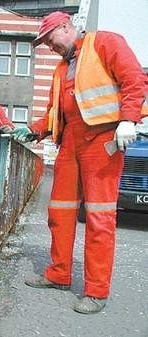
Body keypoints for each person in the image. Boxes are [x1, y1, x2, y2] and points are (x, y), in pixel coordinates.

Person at [12, 11, 148, 314]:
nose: (49, 46)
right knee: (59, 212)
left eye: (50, 39)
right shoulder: (61, 70)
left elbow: (134, 80)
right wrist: (33, 130)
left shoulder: (105, 43)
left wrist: (128, 120)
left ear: (65, 27)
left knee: (99, 218)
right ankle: (59, 274)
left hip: (103, 140)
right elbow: (53, 113)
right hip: (71, 142)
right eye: (45, 43)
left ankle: (96, 290)